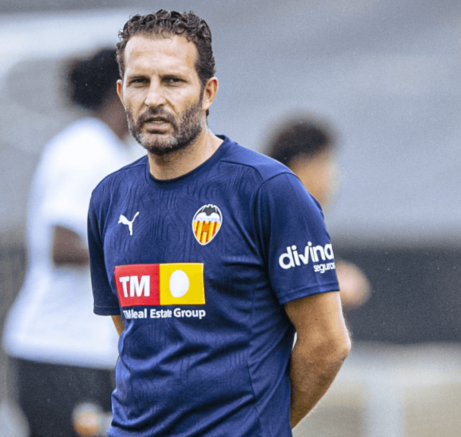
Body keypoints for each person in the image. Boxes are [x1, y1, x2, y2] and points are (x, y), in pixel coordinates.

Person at [87, 10, 351, 436]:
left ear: (208, 92)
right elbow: (134, 333)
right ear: (121, 92)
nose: (154, 98)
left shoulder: (269, 190)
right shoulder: (108, 198)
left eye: (172, 81)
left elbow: (326, 344)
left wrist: (259, 425)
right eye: (140, 82)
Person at [3, 48, 142, 436]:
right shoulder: (83, 149)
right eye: (143, 83)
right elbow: (61, 247)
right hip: (57, 351)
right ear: (120, 90)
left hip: (95, 351)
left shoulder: (121, 151)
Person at [264, 117, 371, 310]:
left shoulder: (295, 220)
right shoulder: (275, 220)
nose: (333, 174)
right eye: (326, 162)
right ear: (303, 167)